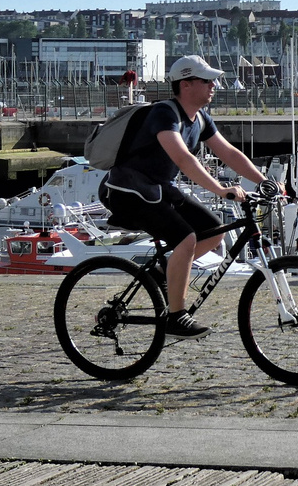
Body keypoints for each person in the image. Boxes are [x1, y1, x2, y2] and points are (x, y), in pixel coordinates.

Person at [98, 55, 267, 337]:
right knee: (187, 238)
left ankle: (161, 277)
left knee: (214, 232)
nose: (214, 84)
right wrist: (221, 189)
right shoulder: (164, 114)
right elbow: (184, 159)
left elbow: (228, 153)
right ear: (186, 84)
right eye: (207, 80)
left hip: (156, 189)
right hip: (127, 190)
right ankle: (176, 316)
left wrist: (266, 183)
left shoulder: (200, 118)